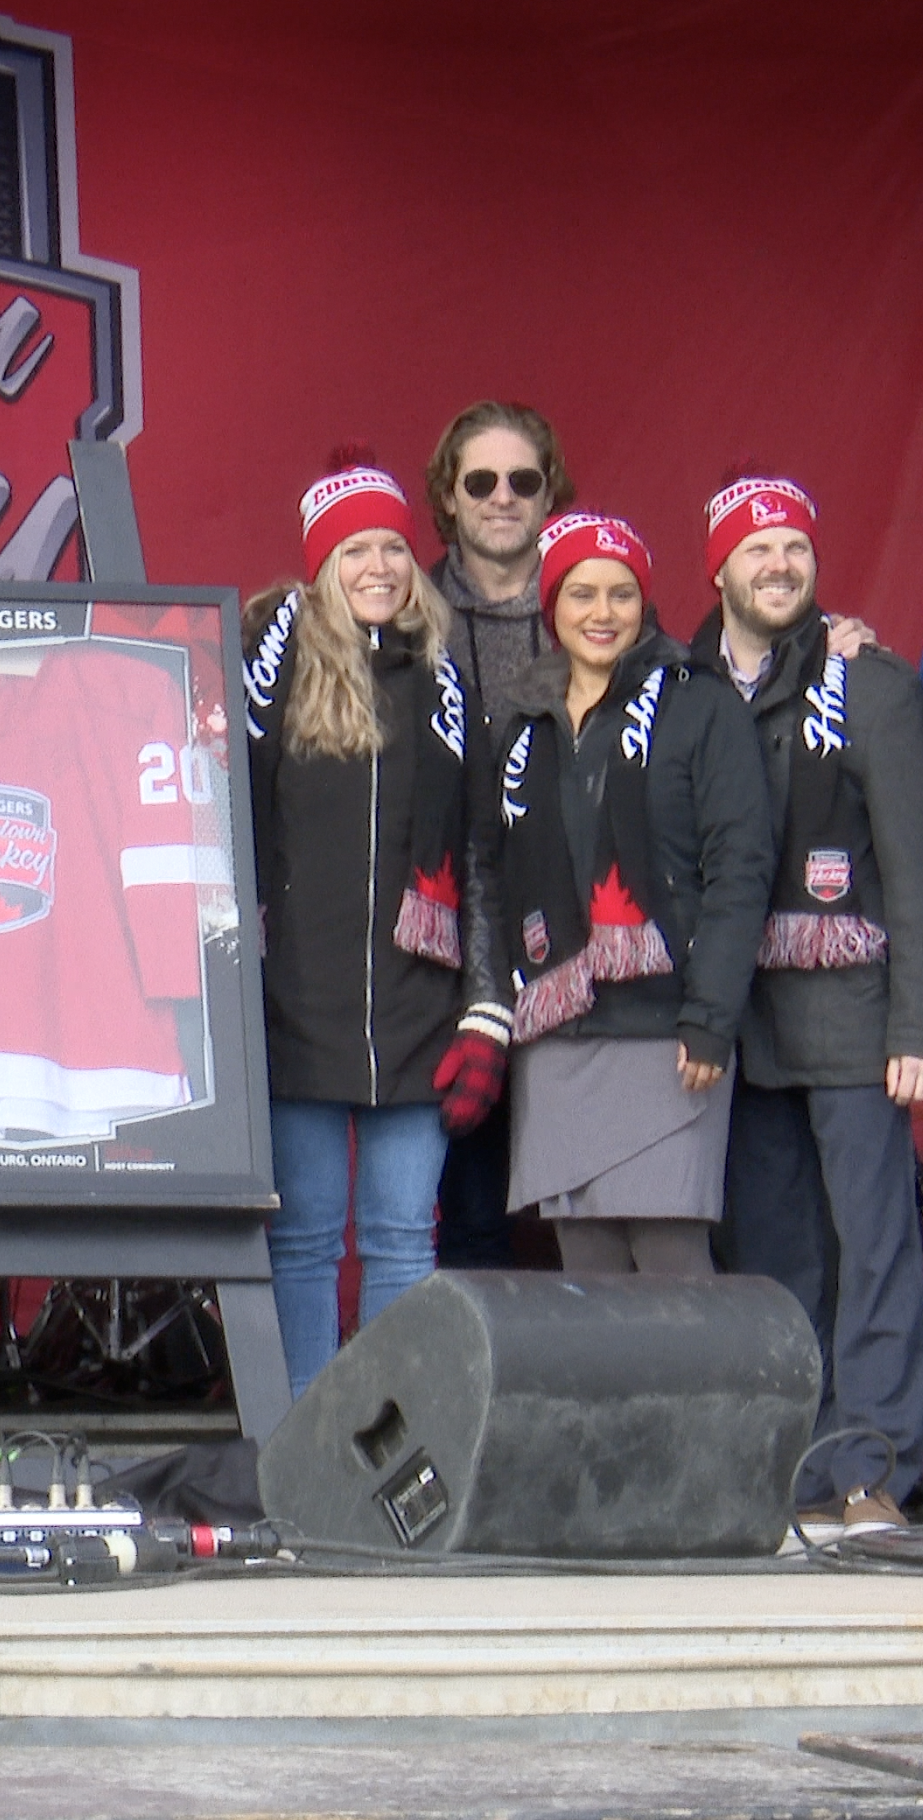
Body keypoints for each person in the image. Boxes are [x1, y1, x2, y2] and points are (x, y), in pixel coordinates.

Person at [687, 475, 923, 1534]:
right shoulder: (682, 688)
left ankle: (872, 1472)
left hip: (855, 1016)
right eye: (756, 549)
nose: (778, 566)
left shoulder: (872, 683)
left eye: (795, 548)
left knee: (873, 1252)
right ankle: (794, 1469)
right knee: (773, 1261)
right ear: (717, 567)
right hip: (743, 1029)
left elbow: (920, 866)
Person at [243, 458, 504, 1394]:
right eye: (355, 548)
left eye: (394, 544)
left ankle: (388, 1458)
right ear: (322, 565)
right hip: (294, 1011)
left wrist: (486, 1007)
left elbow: (481, 853)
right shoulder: (265, 676)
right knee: (303, 1242)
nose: (381, 564)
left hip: (417, 1008)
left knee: (402, 1242)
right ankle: (302, 1453)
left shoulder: (444, 682)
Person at [480, 513, 772, 1273]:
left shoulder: (699, 703)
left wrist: (710, 1017)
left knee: (673, 1262)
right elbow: (495, 870)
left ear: (646, 604)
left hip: (668, 1033)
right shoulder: (522, 720)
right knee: (589, 1273)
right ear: (553, 608)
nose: (602, 613)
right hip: (559, 1034)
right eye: (581, 594)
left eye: (621, 594)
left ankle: (702, 1402)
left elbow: (739, 868)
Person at [419, 404, 570, 1268]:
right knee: (471, 1216)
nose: (503, 497)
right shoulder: (410, 611)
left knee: (593, 1219)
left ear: (551, 494)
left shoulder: (595, 594)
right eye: (481, 481)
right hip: (449, 959)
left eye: (524, 480)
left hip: (578, 944)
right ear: (449, 495)